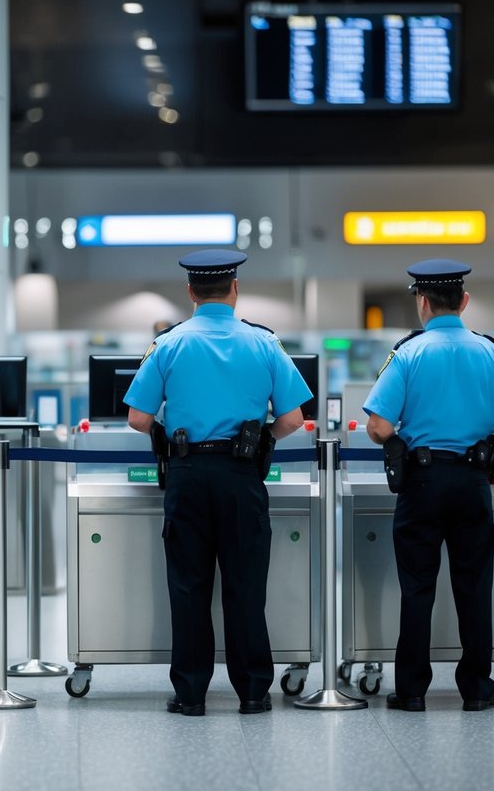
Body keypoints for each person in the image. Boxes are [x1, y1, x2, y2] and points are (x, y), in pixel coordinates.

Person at [123, 249, 311, 717]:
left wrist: (168, 433)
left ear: (190, 292)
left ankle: (190, 693)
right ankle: (252, 692)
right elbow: (292, 419)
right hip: (242, 475)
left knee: (188, 587)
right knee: (246, 586)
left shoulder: (168, 344)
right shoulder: (265, 344)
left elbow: (137, 418)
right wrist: (261, 437)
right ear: (235, 289)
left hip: (186, 475)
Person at [364, 259, 494, 713]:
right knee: (475, 586)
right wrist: (493, 445)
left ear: (422, 302)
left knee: (417, 587)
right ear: (463, 301)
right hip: (472, 481)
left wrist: (400, 439)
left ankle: (412, 690)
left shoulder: (409, 354)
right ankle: (477, 689)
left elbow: (379, 426)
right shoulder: (491, 353)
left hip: (422, 482)